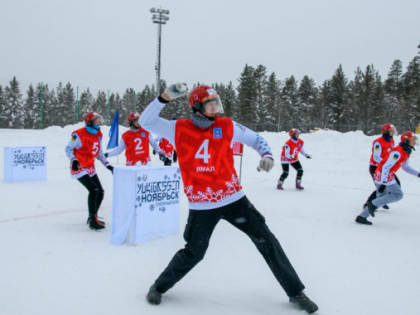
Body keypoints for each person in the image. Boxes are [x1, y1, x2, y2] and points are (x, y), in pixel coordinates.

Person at [139, 83, 318, 314]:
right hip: (202, 204)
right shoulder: (178, 128)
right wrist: (163, 98)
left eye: (217, 104)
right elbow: (145, 122)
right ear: (196, 107)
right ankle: (159, 286)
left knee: (267, 240)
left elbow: (256, 139)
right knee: (194, 252)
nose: (216, 109)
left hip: (234, 199)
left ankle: (296, 292)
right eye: (211, 105)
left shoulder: (226, 125)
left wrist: (267, 155)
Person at [355, 131, 420, 225]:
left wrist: (418, 174)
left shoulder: (406, 151)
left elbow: (405, 167)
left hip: (386, 174)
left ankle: (361, 217)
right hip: (383, 175)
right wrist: (383, 183)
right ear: (406, 140)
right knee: (398, 194)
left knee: (381, 196)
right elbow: (386, 167)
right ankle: (372, 204)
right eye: (413, 139)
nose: (415, 141)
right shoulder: (398, 152)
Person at [65, 112, 114, 230]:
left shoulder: (98, 134)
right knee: (94, 190)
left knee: (100, 191)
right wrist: (74, 160)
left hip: (90, 167)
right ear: (90, 121)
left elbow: (99, 153)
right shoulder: (78, 134)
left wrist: (108, 165)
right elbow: (68, 149)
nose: (99, 121)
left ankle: (93, 216)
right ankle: (93, 220)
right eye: (97, 119)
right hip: (79, 167)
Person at [363, 123, 397, 210]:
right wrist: (385, 164)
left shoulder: (391, 141)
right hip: (376, 168)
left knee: (393, 185)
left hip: (386, 168)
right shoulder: (378, 142)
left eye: (393, 131)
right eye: (391, 131)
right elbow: (376, 157)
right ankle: (368, 204)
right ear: (386, 132)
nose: (393, 133)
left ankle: (381, 200)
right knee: (381, 187)